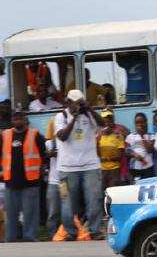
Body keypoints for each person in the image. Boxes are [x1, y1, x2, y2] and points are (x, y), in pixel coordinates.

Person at [55, 89, 105, 240]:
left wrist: (89, 108)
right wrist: (74, 118)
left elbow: (102, 124)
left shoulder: (89, 115)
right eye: (74, 102)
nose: (77, 105)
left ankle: (95, 230)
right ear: (68, 102)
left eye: (80, 102)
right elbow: (62, 136)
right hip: (67, 167)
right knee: (67, 202)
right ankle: (71, 232)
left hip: (90, 165)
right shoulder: (61, 116)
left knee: (94, 199)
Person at [1, 110, 46, 242]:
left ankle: (30, 238)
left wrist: (40, 169)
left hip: (30, 182)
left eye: (21, 118)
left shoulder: (36, 135)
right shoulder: (5, 135)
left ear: (26, 120)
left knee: (30, 214)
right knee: (11, 215)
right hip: (10, 181)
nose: (18, 121)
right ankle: (11, 239)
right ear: (12, 121)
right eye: (15, 118)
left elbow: (43, 154)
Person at [45, 136, 76, 240]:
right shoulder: (50, 143)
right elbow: (44, 156)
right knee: (53, 210)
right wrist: (52, 153)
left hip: (65, 182)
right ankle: (52, 234)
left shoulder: (70, 142)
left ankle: (66, 233)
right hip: (53, 181)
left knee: (66, 209)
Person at [97, 109, 125, 190]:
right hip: (102, 170)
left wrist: (106, 159)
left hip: (114, 170)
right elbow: (97, 155)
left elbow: (120, 156)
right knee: (102, 194)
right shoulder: (98, 136)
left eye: (109, 121)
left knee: (112, 193)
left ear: (112, 122)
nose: (107, 124)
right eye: (105, 122)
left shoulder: (118, 135)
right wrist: (97, 141)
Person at [125, 113, 155, 181]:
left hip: (148, 168)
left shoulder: (151, 136)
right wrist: (134, 154)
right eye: (137, 122)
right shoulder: (130, 136)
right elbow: (126, 151)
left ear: (146, 122)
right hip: (135, 169)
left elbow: (150, 150)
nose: (140, 124)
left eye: (142, 122)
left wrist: (141, 136)